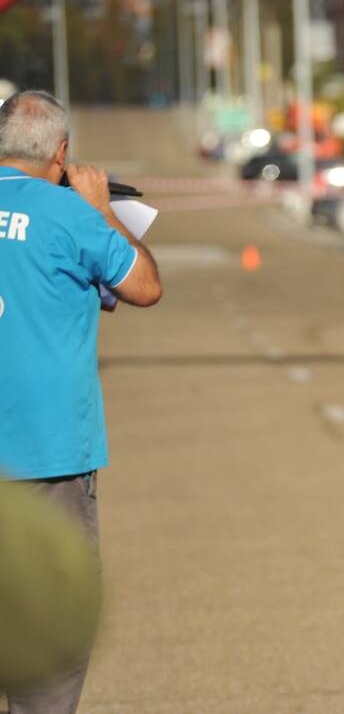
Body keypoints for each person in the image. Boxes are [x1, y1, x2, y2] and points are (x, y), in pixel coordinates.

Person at [0, 90, 163, 714]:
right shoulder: (70, 215)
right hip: (49, 460)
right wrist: (102, 211)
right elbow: (144, 286)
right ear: (62, 153)